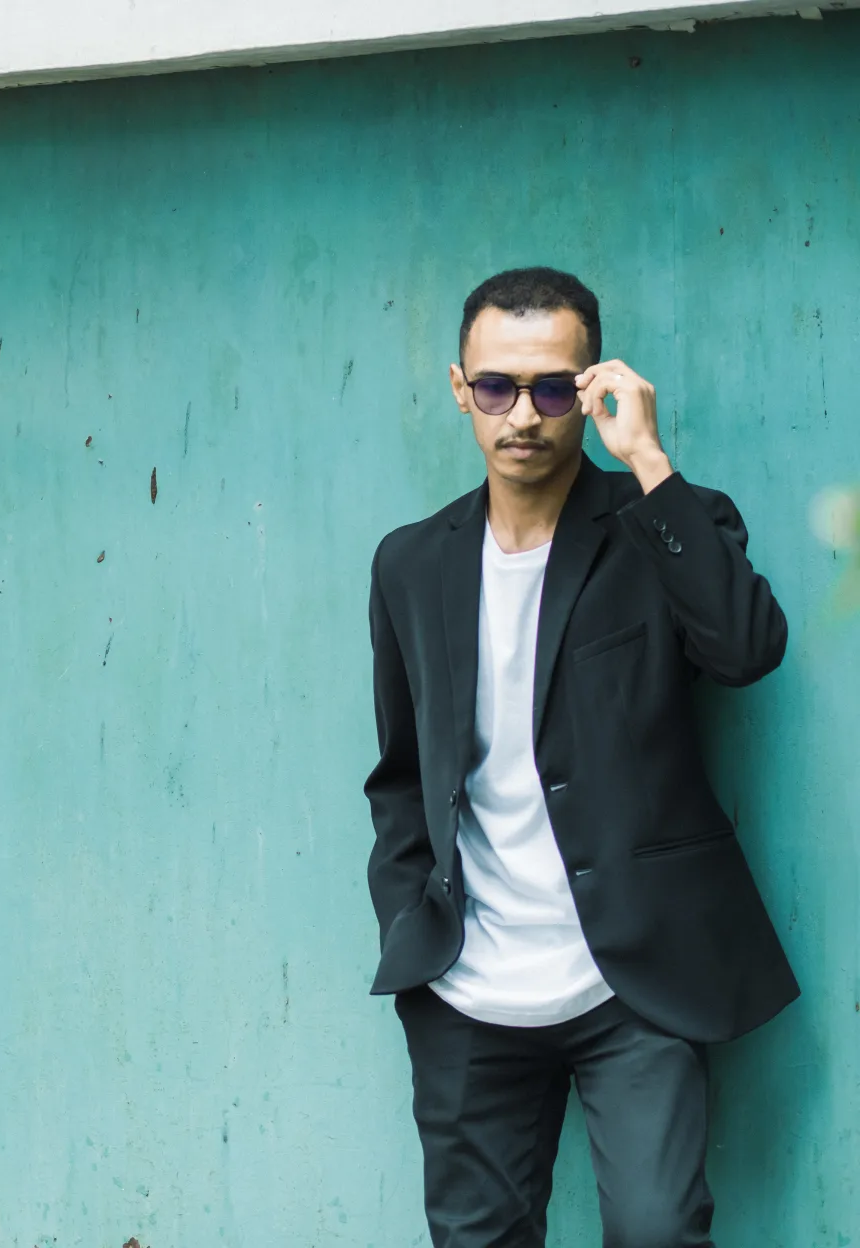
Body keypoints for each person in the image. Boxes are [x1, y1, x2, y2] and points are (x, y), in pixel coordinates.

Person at [363, 268, 796, 1247]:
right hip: (468, 986)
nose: (524, 415)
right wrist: (409, 918)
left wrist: (646, 459)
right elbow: (401, 771)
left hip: (634, 982)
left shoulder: (664, 526)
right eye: (497, 387)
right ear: (460, 388)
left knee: (657, 1231)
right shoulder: (411, 563)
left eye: (553, 388)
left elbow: (745, 650)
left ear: (591, 387)